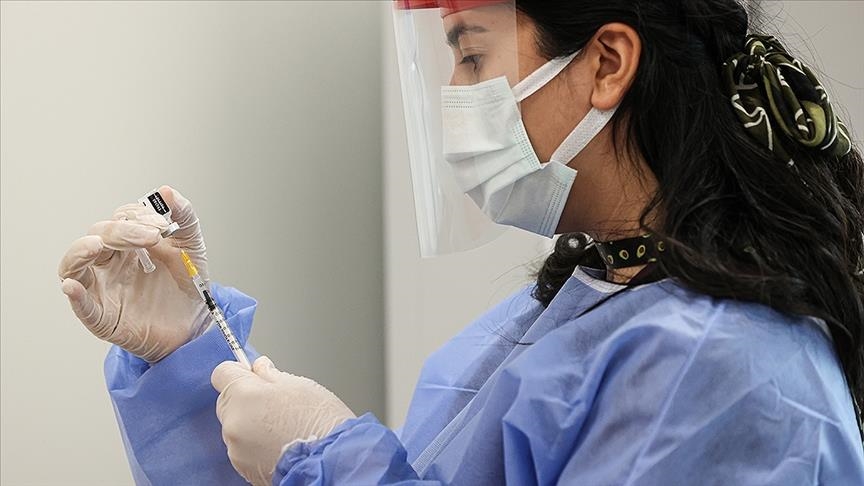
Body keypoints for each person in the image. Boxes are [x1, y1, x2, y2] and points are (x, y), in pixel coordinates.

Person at [59, 0, 864, 484]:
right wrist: (186, 356)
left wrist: (327, 457)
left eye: (474, 56)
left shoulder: (726, 372)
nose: (455, 95)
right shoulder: (574, 308)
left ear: (607, 63)